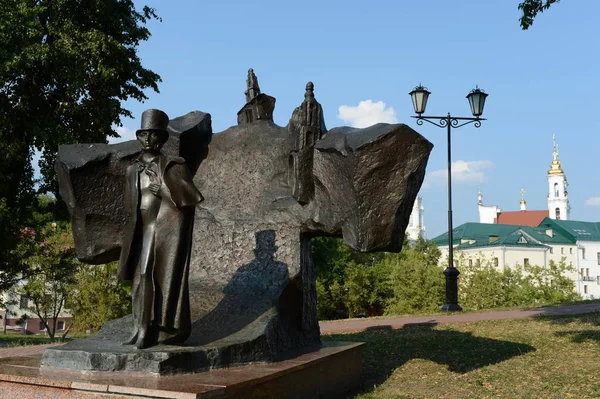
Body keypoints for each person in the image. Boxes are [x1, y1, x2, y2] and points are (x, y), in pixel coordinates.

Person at [117, 109, 203, 349]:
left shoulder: (174, 166)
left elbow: (188, 202)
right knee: (138, 281)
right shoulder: (131, 170)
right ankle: (138, 328)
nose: (147, 140)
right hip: (142, 231)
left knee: (148, 275)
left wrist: (163, 191)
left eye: (152, 135)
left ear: (162, 139)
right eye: (143, 135)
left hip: (163, 231)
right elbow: (128, 209)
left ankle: (147, 330)